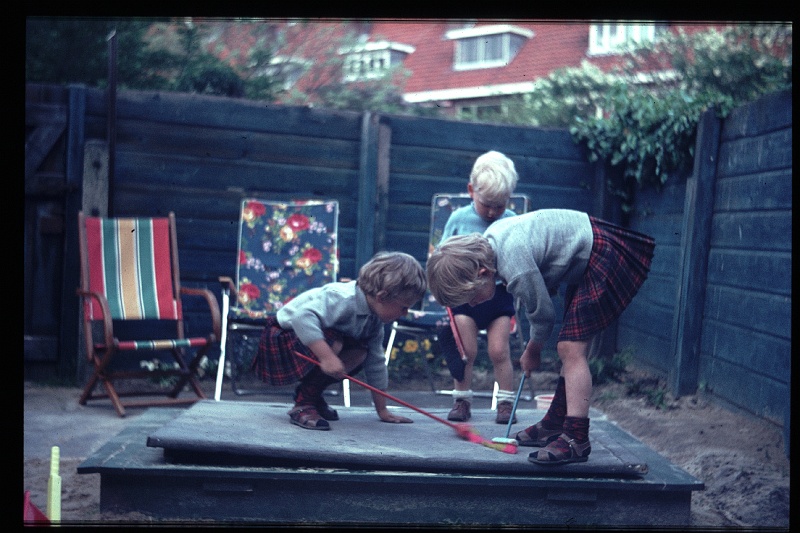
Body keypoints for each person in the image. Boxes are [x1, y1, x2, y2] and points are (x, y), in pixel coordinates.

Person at [426, 210, 655, 465]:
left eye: (472, 298)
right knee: (570, 346)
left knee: (570, 349)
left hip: (601, 256)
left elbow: (543, 315)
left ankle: (576, 439)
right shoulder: (491, 242)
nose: (474, 304)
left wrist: (533, 349)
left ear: (482, 273)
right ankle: (555, 422)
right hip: (586, 258)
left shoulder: (514, 264)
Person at [255, 251, 427, 430]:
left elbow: (376, 362)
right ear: (382, 297)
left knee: (361, 351)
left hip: (314, 344)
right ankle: (303, 405)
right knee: (334, 343)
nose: (405, 313)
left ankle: (311, 395)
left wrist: (382, 410)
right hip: (282, 338)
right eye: (404, 307)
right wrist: (327, 357)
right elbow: (301, 318)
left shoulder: (374, 318)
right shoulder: (343, 299)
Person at [438, 150, 521, 425]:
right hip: (465, 296)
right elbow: (442, 256)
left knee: (500, 351)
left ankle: (506, 404)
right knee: (467, 351)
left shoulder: (511, 220)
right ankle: (461, 400)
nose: (493, 212)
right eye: (487, 204)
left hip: (498, 296)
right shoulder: (458, 219)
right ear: (471, 190)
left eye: (500, 205)